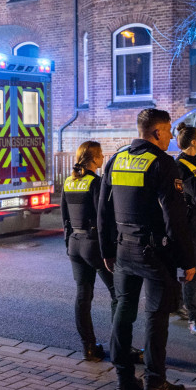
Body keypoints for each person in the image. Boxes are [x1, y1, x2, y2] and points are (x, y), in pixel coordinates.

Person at [98, 109, 196, 390]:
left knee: (123, 313)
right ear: (156, 132)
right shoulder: (163, 163)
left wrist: (107, 251)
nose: (170, 137)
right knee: (156, 317)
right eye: (168, 131)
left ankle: (124, 379)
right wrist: (187, 259)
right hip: (154, 254)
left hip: (123, 251)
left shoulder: (117, 158)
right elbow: (174, 217)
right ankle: (155, 383)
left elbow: (103, 210)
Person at [61, 141, 117, 361]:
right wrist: (108, 252)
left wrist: (69, 245)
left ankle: (89, 348)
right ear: (94, 158)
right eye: (101, 155)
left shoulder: (69, 181)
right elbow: (103, 220)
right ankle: (120, 347)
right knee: (118, 295)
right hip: (94, 245)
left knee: (83, 297)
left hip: (75, 243)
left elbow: (64, 218)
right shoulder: (96, 182)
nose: (103, 158)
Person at [174, 123, 196, 336]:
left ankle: (178, 303)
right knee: (193, 273)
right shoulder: (180, 166)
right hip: (190, 224)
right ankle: (194, 318)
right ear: (193, 141)